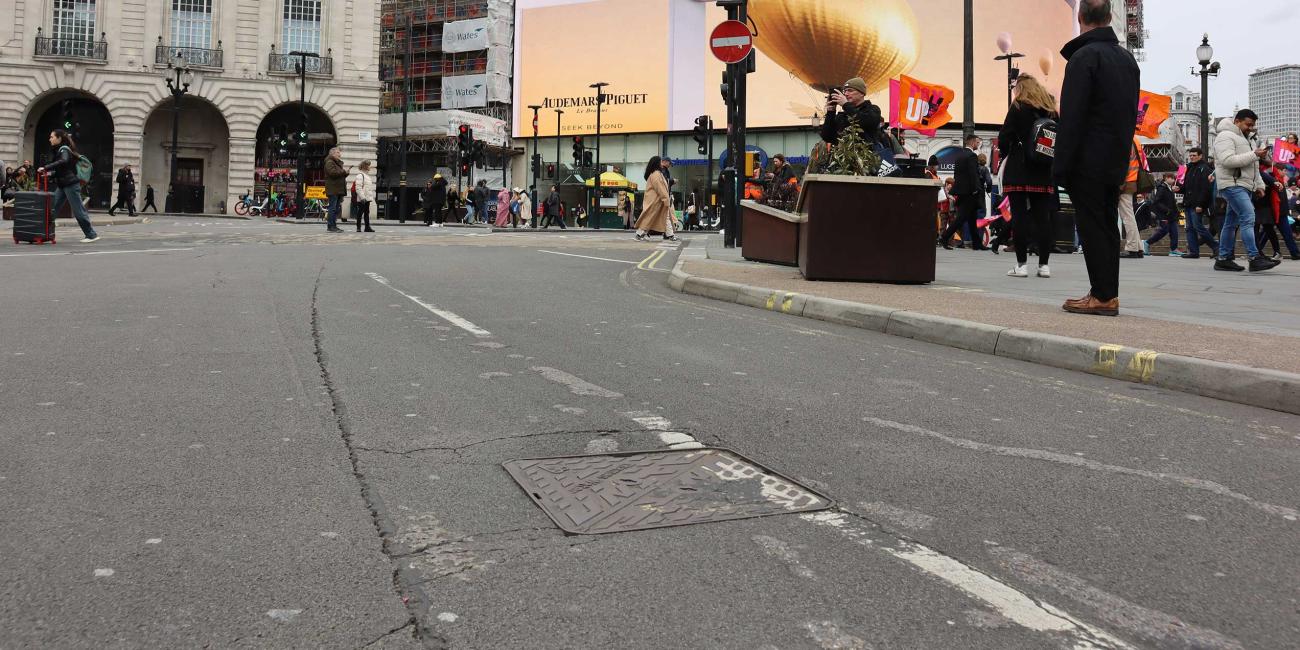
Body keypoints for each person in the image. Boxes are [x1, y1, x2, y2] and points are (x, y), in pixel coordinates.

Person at [1052, 0, 1140, 316]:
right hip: (1115, 156)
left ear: (1080, 16)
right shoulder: (1127, 60)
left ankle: (1102, 295)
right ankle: (1106, 293)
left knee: (1092, 225)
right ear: (1108, 17)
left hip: (1087, 158)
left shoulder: (1084, 57)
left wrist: (1061, 165)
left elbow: (1072, 117)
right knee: (1106, 224)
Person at [997, 73, 1059, 278]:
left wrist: (1008, 152)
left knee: (1019, 217)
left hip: (1019, 168)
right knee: (1043, 218)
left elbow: (1004, 137)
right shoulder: (1050, 110)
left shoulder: (1018, 107)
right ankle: (1044, 265)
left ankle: (1021, 265)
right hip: (1043, 169)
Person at [1213, 109, 1279, 272]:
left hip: (1243, 184)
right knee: (1248, 217)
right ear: (1237, 121)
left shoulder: (1247, 139)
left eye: (1252, 125)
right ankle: (1254, 258)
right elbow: (1227, 160)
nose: (1250, 128)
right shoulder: (1225, 136)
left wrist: (1259, 185)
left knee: (1230, 223)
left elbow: (1254, 167)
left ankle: (1223, 258)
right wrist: (1254, 154)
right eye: (1248, 124)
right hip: (1232, 184)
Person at [35, 129, 99, 242]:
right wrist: (49, 174)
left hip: (71, 185)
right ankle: (44, 234)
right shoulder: (60, 150)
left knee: (78, 210)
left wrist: (46, 167)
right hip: (63, 185)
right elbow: (62, 170)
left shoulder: (64, 150)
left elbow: (64, 161)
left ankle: (91, 235)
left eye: (52, 137)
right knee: (52, 209)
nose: (50, 139)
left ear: (59, 138)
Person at [939, 134, 986, 251]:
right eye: (977, 142)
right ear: (972, 142)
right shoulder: (972, 156)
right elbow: (973, 174)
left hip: (962, 191)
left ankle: (977, 243)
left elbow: (957, 175)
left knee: (972, 218)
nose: (978, 144)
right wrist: (976, 189)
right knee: (961, 218)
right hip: (970, 192)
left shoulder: (959, 155)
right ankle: (944, 237)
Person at [1254, 160, 1299, 260]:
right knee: (1269, 232)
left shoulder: (1278, 180)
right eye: (1283, 170)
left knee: (1272, 232)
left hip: (1279, 211)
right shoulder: (1272, 179)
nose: (1285, 172)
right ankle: (1260, 252)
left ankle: (1292, 253)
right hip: (1273, 211)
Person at [1180, 147, 1219, 258]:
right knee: (1190, 228)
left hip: (1197, 204)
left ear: (1200, 156)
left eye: (1194, 155)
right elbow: (1186, 186)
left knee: (1198, 227)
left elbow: (1206, 189)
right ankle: (1193, 252)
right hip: (1188, 203)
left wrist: (1201, 204)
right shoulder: (1188, 168)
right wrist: (1179, 189)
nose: (1192, 157)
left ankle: (1216, 247)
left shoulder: (1204, 168)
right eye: (1190, 155)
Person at [821, 77, 882, 146]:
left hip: (864, 152)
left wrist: (845, 105)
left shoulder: (873, 109)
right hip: (843, 152)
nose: (846, 94)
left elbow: (865, 122)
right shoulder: (842, 115)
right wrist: (831, 112)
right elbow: (827, 137)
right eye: (845, 91)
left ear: (862, 93)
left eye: (850, 90)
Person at [634, 156, 676, 241]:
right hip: (656, 201)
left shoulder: (655, 173)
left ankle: (670, 235)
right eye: (660, 162)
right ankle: (639, 234)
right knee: (651, 218)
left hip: (657, 201)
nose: (661, 163)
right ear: (657, 163)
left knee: (664, 217)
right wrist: (666, 199)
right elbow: (660, 188)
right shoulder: (656, 174)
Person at [1142, 173, 1183, 256]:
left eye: (1174, 178)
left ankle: (1174, 249)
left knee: (1174, 232)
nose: (1173, 180)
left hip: (1172, 215)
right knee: (1164, 230)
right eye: (1171, 178)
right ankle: (1147, 242)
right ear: (1166, 178)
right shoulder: (1162, 188)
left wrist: (1177, 213)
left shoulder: (1169, 188)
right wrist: (1166, 210)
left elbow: (1171, 203)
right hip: (1164, 215)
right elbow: (1157, 201)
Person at [322, 147, 348, 232]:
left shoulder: (336, 163)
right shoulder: (329, 162)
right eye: (338, 152)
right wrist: (343, 172)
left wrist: (346, 173)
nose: (340, 154)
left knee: (336, 209)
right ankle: (331, 226)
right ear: (332, 153)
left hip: (337, 189)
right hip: (333, 189)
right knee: (332, 208)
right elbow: (332, 173)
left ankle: (333, 225)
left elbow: (338, 174)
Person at [352, 160, 375, 232]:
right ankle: (358, 227)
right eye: (369, 165)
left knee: (366, 213)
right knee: (360, 212)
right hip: (362, 198)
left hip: (367, 198)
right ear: (365, 166)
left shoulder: (367, 176)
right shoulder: (360, 175)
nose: (370, 167)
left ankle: (367, 227)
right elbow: (358, 187)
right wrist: (362, 197)